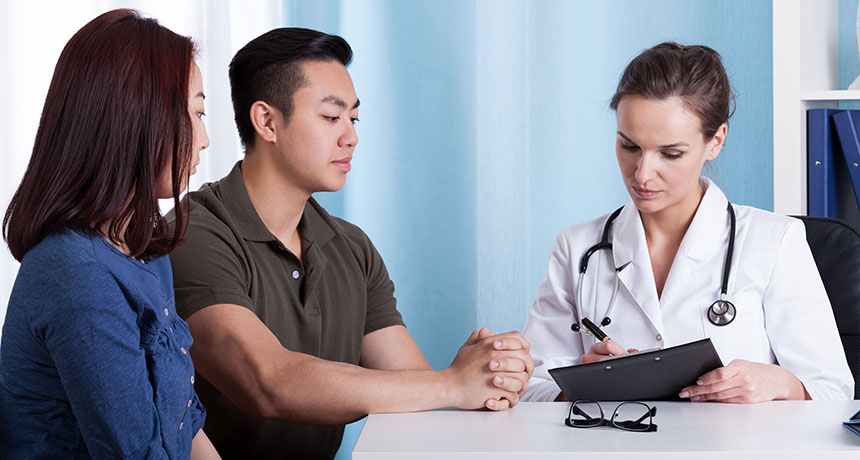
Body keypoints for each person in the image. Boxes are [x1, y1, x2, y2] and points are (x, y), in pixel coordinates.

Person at [167, 27, 533, 459]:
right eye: (330, 117)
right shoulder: (193, 232)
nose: (351, 137)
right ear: (267, 121)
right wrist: (453, 382)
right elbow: (268, 382)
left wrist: (490, 372)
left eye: (353, 119)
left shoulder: (351, 248)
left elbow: (416, 387)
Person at [522, 42, 854, 403]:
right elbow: (531, 388)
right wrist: (585, 386)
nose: (643, 173)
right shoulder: (577, 248)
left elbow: (834, 391)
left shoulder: (775, 241)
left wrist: (782, 385)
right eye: (629, 146)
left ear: (715, 141)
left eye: (671, 153)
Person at [0, 9, 220, 459]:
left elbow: (185, 424)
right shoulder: (79, 277)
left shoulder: (144, 246)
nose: (205, 138)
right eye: (196, 112)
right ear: (137, 119)